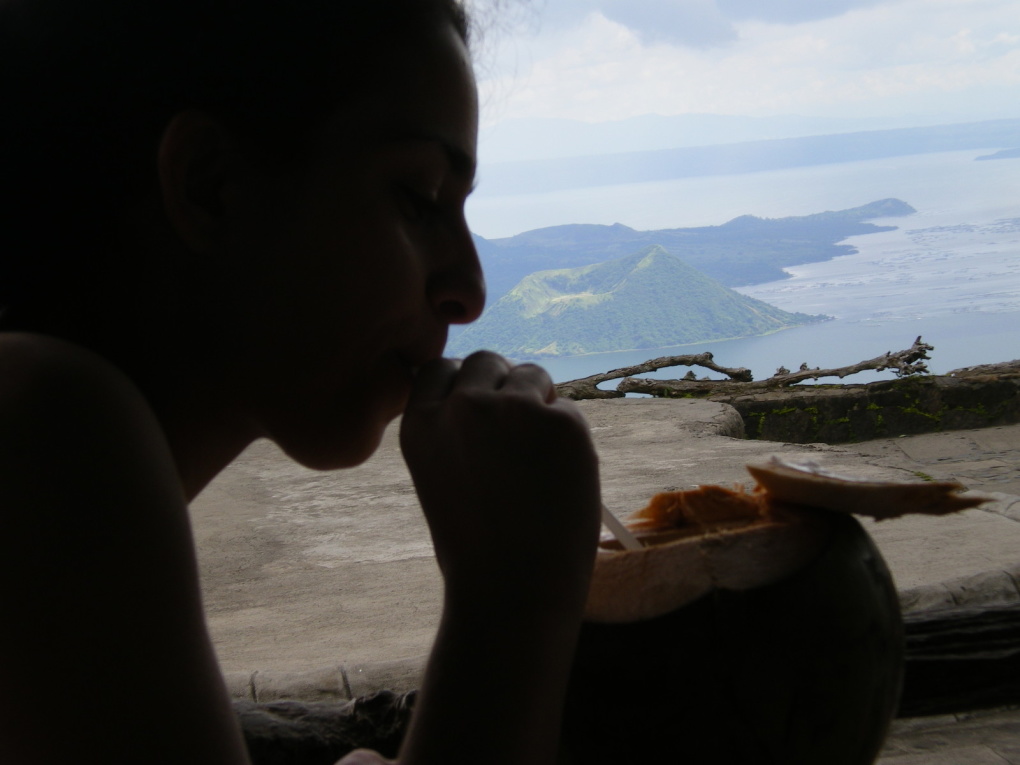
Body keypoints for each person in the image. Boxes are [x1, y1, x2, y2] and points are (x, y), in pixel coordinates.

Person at [0, 1, 602, 763]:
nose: (468, 289)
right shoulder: (44, 435)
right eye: (417, 196)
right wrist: (513, 608)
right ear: (211, 186)